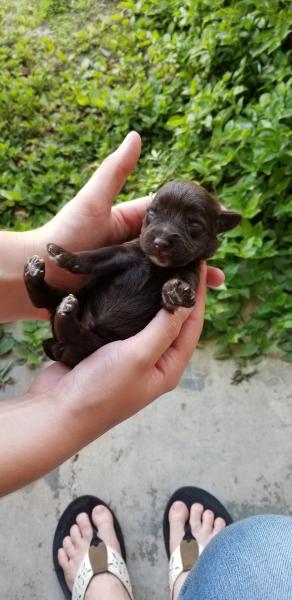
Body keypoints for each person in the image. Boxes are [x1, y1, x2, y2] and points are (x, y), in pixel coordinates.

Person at [0, 131, 224, 496]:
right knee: (63, 298)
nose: (164, 236)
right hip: (85, 303)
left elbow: (177, 298)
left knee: (79, 336)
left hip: (99, 344)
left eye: (191, 228)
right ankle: (42, 291)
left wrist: (175, 293)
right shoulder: (138, 245)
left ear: (215, 233)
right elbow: (111, 257)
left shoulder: (186, 272)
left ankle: (64, 323)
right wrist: (71, 260)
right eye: (156, 217)